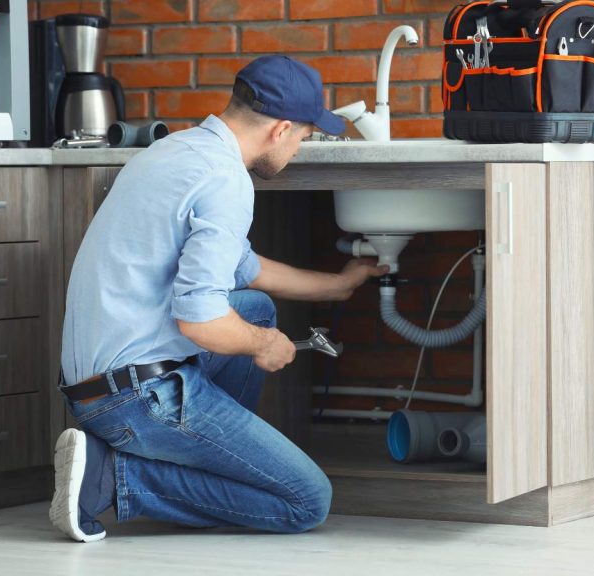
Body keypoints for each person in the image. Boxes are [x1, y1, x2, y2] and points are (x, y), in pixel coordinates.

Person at [49, 55, 389, 543]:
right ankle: (112, 477)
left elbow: (244, 268)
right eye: (304, 138)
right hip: (136, 399)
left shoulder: (178, 151)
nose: (298, 149)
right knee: (306, 501)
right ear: (281, 129)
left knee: (254, 307)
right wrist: (262, 345)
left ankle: (204, 459)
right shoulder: (227, 182)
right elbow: (201, 321)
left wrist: (337, 285)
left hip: (94, 385)